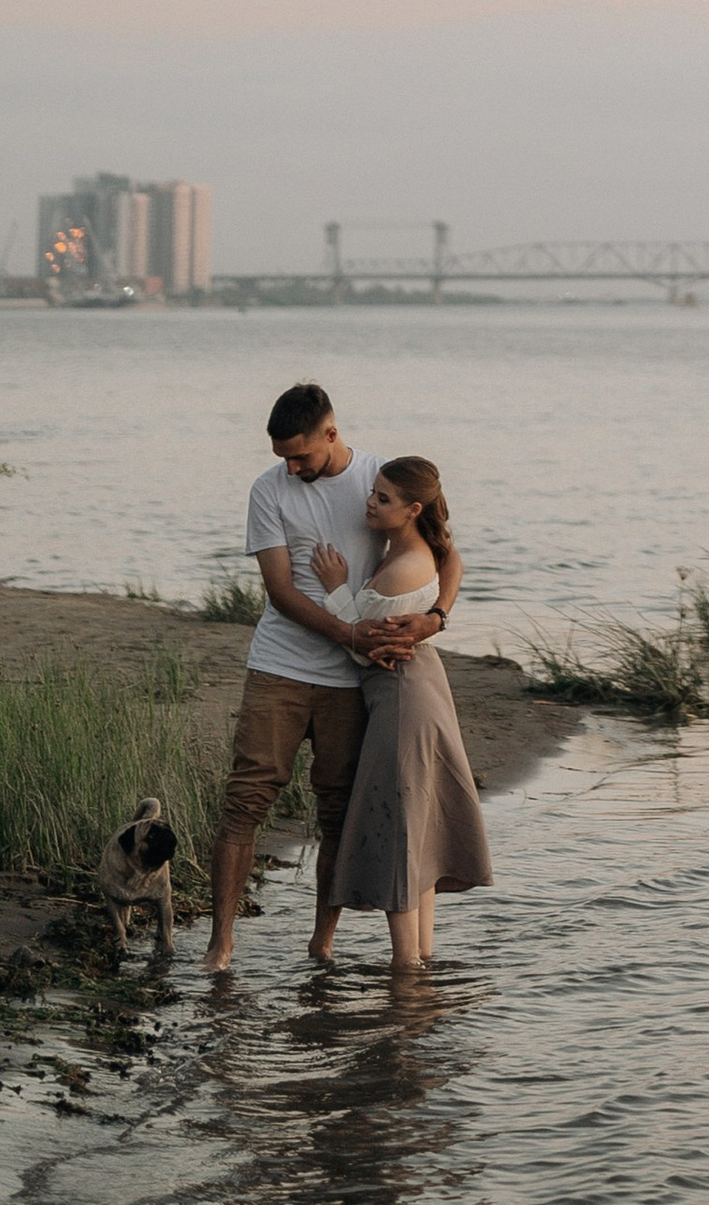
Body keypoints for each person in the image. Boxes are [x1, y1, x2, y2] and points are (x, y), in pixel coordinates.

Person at [204, 383, 459, 976]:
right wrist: (349, 634)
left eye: (302, 456)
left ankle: (323, 941)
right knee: (245, 799)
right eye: (283, 458)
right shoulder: (269, 490)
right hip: (281, 667)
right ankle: (220, 943)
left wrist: (435, 617)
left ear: (331, 434)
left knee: (338, 809)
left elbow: (447, 552)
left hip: (354, 682)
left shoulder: (382, 482)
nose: (292, 468)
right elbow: (281, 590)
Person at [318, 458, 493, 971]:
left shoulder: (400, 569)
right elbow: (454, 556)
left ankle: (405, 972)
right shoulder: (421, 547)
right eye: (373, 492)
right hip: (420, 687)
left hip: (401, 697)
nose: (370, 502)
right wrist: (438, 614)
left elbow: (361, 647)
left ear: (413, 509)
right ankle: (420, 959)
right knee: (416, 825)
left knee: (399, 826)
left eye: (383, 498)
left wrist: (335, 587)